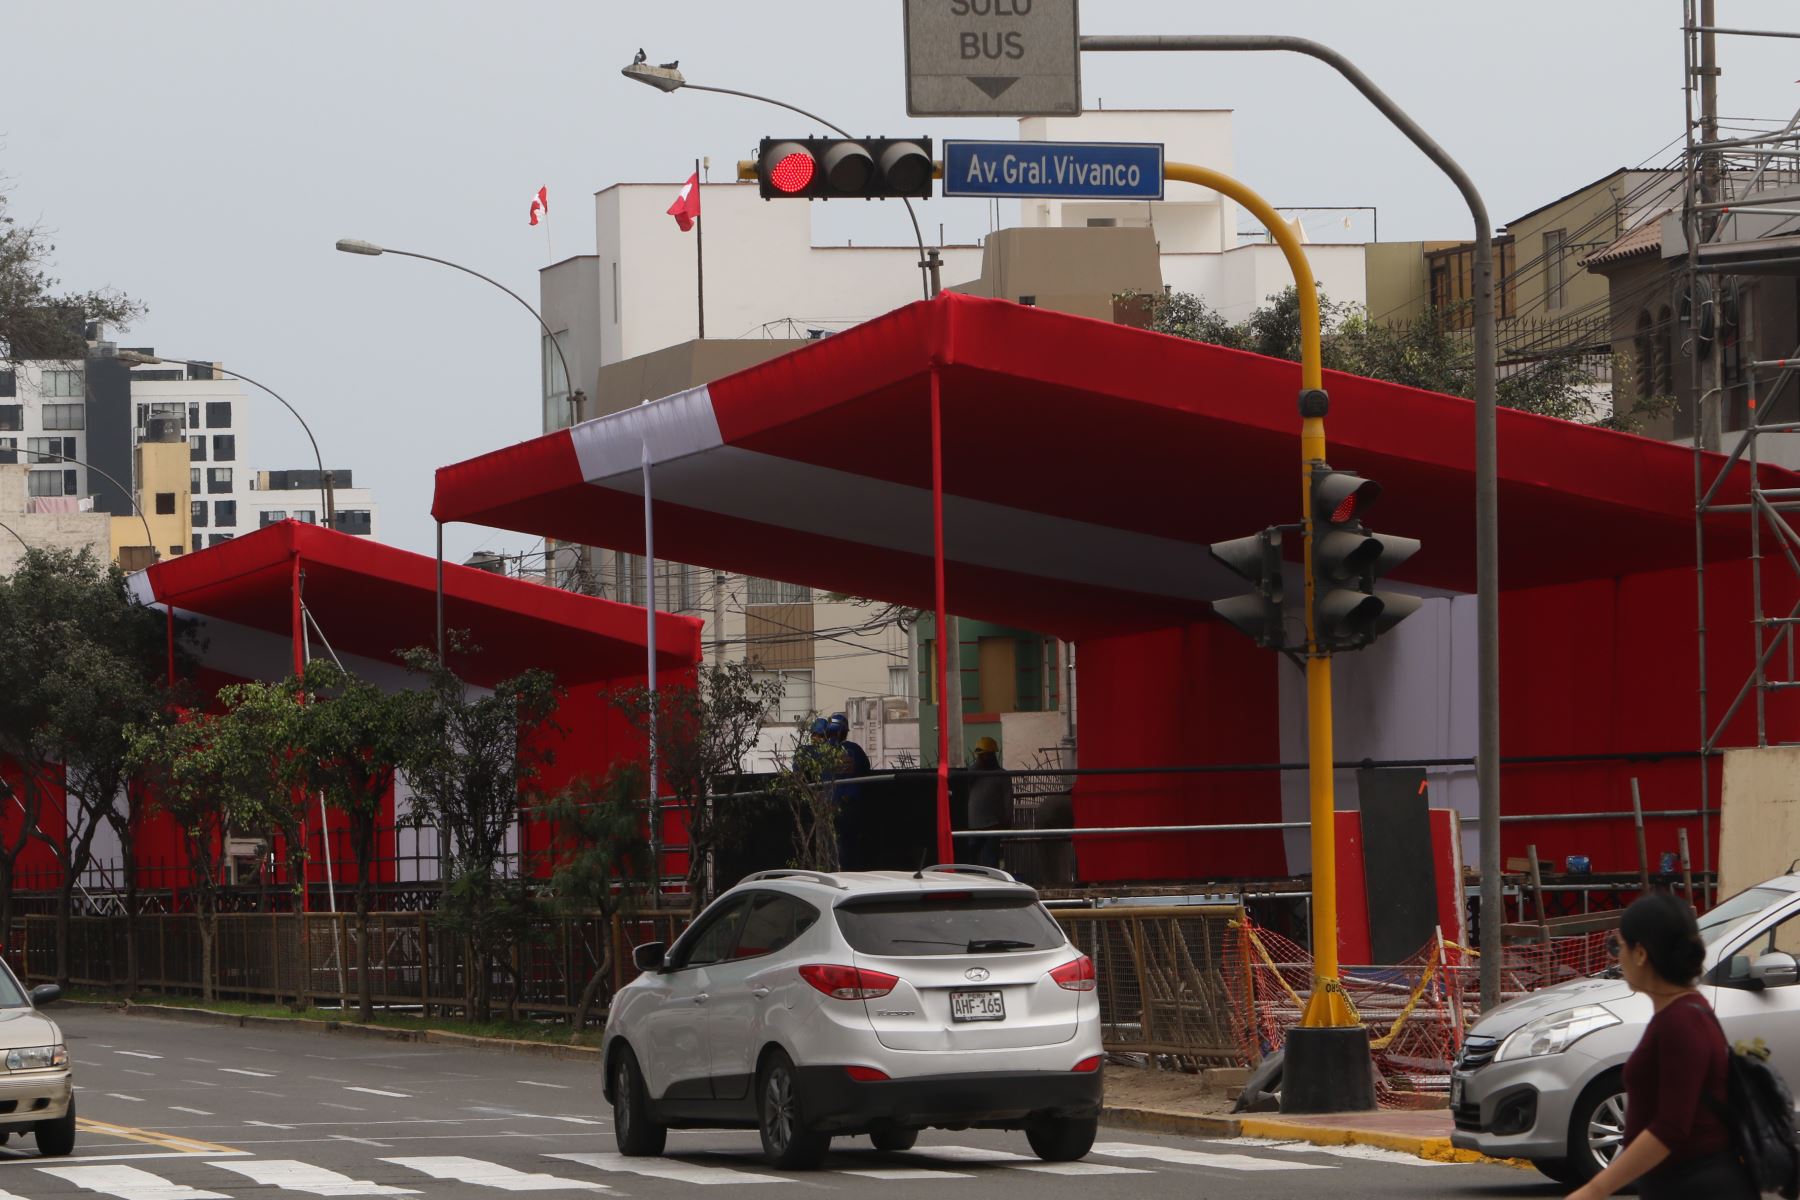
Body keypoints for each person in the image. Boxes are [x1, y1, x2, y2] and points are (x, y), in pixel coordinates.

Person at [1569, 893, 1757, 1200]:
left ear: (1640, 953)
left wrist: (1593, 1191)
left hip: (1697, 1187)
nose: (1616, 956)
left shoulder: (1680, 1022)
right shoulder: (1684, 1013)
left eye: (1618, 946)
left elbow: (1670, 1128)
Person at [823, 713, 869, 869]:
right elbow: (865, 768)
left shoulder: (821, 752)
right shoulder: (854, 749)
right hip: (851, 807)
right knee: (851, 845)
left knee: (832, 846)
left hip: (829, 806)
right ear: (844, 731)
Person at [961, 735, 1012, 870]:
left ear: (992, 755)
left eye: (985, 755)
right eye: (981, 755)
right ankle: (969, 880)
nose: (982, 758)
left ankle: (991, 882)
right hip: (974, 824)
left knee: (990, 859)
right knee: (969, 857)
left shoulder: (1002, 775)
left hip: (993, 824)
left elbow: (1008, 799)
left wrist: (1007, 820)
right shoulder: (970, 774)